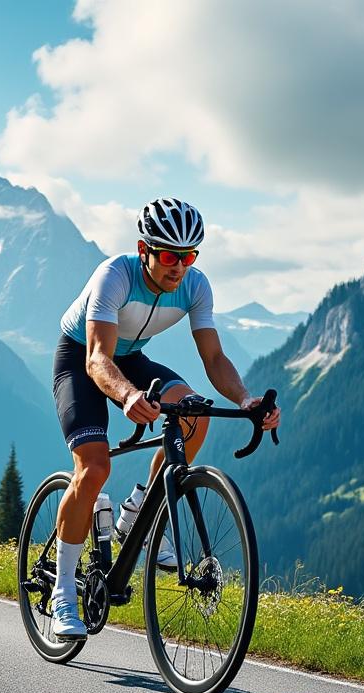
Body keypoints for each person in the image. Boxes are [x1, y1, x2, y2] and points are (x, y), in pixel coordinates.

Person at [49, 197, 282, 641]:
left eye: (189, 256)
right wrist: (128, 395)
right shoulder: (114, 275)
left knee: (195, 413)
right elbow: (98, 358)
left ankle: (140, 506)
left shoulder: (195, 286)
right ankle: (63, 591)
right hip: (80, 359)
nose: (180, 267)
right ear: (145, 250)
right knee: (95, 467)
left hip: (132, 357)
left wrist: (247, 398)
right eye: (171, 256)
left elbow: (213, 358)